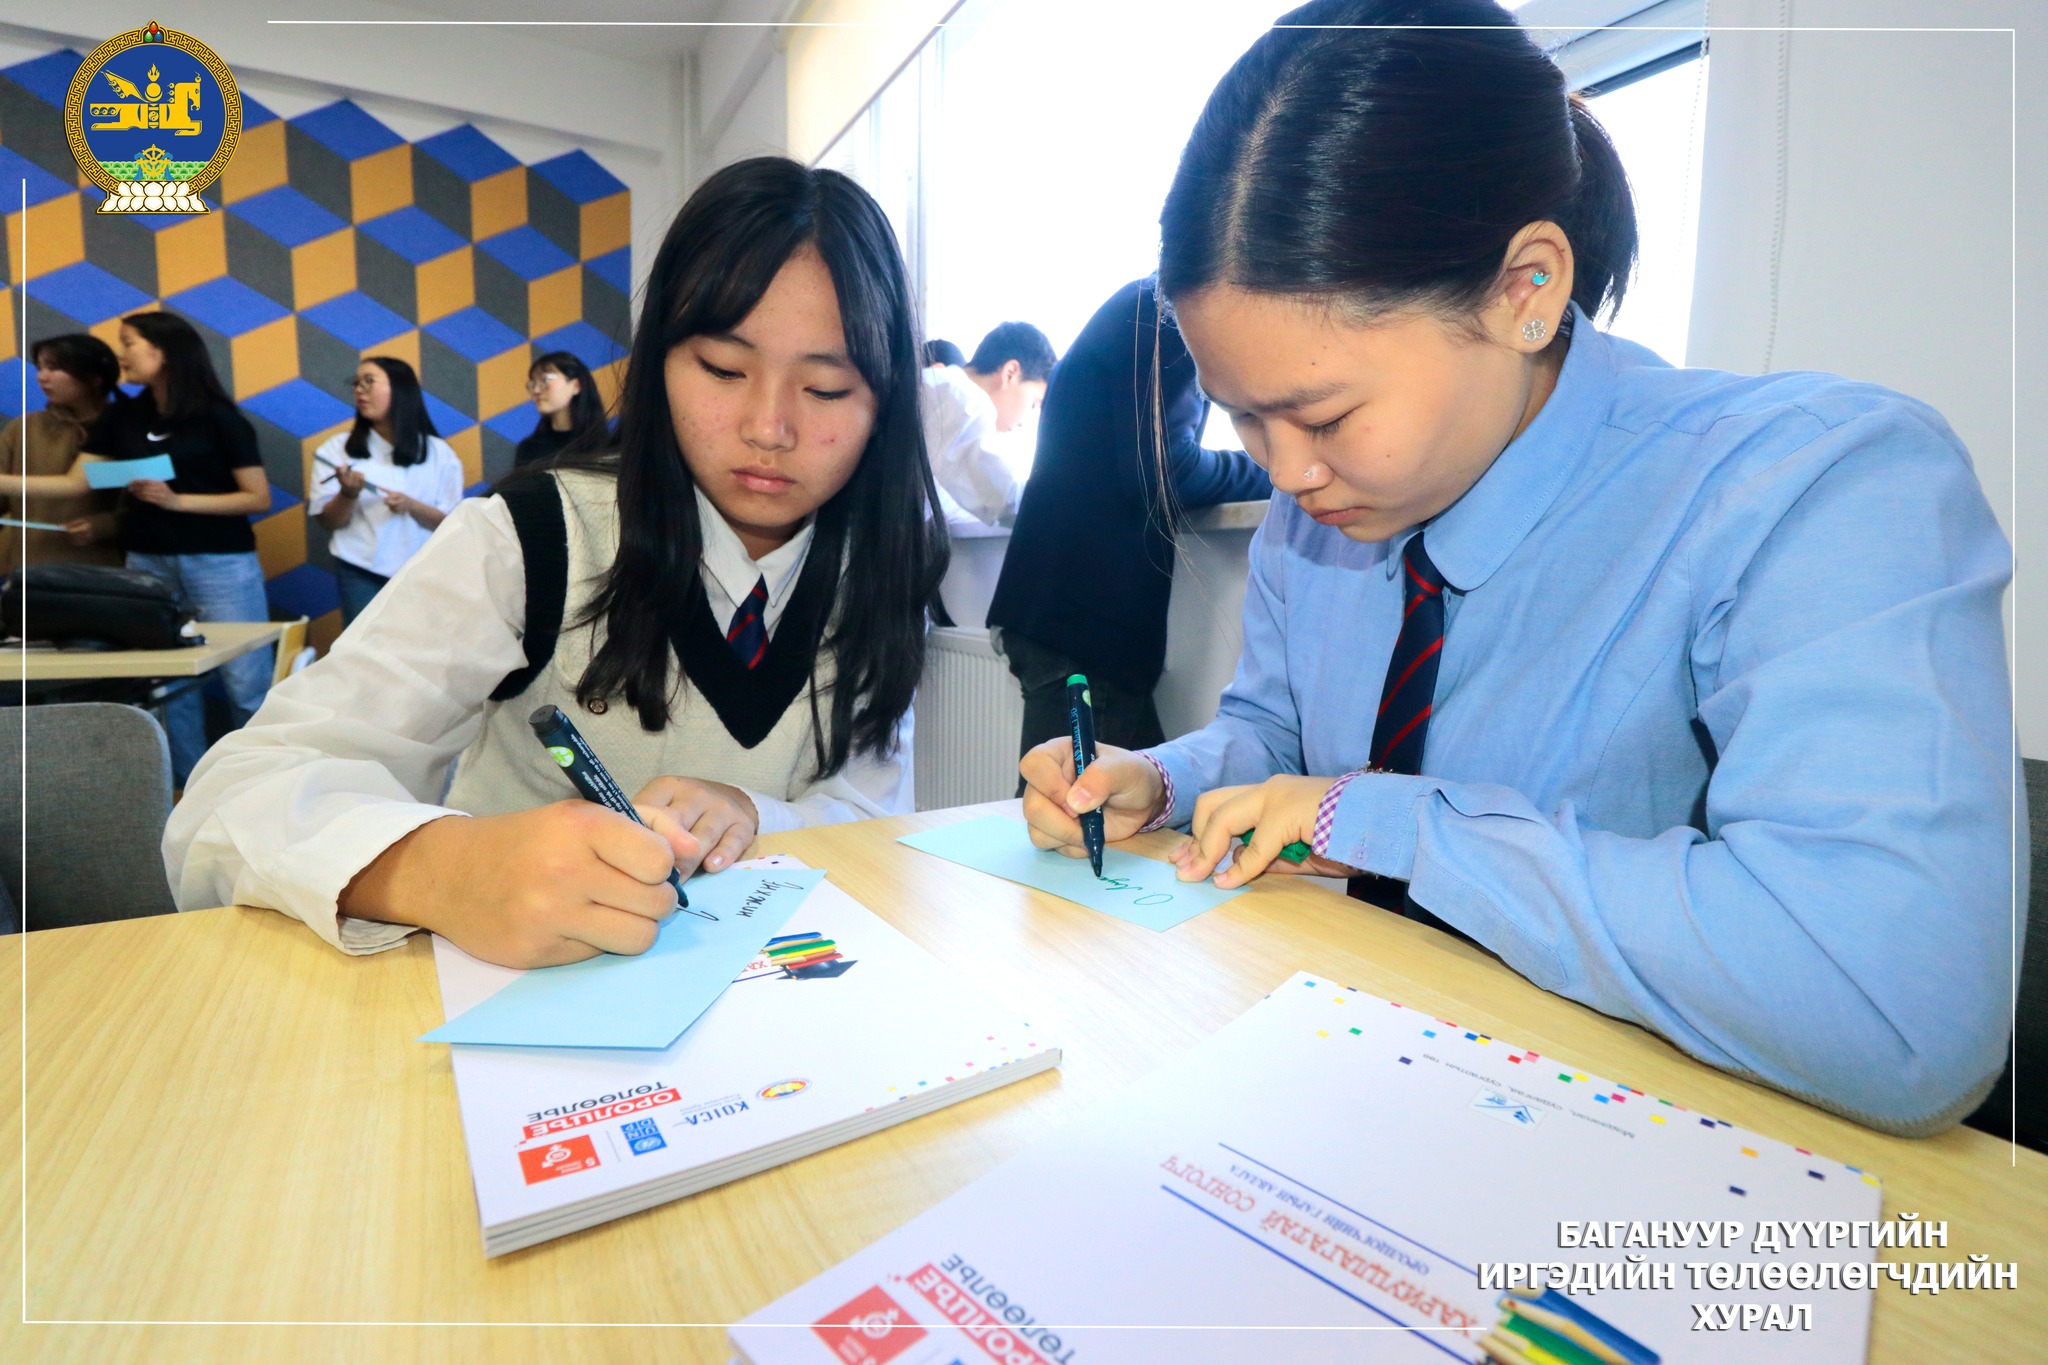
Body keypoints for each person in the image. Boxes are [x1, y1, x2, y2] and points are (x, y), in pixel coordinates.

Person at [1021, 0, 2014, 1136]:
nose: (1285, 473)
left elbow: (1898, 1014)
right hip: (1337, 1084)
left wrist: (1389, 825)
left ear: (1526, 288)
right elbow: (1279, 743)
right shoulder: (1325, 510)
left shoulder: (1812, 487)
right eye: (1244, 421)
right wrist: (1165, 778)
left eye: (1323, 413)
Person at [165, 156, 949, 970]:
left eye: (825, 389)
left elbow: (868, 809)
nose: (768, 427)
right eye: (722, 368)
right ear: (658, 366)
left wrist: (753, 813)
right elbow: (225, 805)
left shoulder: (878, 567)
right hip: (505, 1012)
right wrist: (439, 869)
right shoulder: (531, 537)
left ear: (883, 405)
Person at [989, 277, 1270, 758]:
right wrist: (1268, 467)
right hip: (1085, 623)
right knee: (1079, 819)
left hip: (1066, 613)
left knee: (1121, 808)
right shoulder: (1167, 313)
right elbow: (1165, 470)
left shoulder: (1145, 309)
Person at [5, 311, 274, 781]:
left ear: (164, 351)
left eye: (129, 343)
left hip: (220, 563)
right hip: (146, 562)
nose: (121, 354)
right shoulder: (126, 415)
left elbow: (257, 497)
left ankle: (262, 788)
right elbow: (76, 484)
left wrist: (177, 499)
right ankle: (186, 796)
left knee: (246, 681)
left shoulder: (219, 417)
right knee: (168, 687)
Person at [309, 357, 465, 627]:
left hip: (424, 571)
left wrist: (412, 506)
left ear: (401, 389)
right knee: (364, 656)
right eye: (356, 383)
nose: (359, 390)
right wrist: (348, 494)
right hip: (360, 569)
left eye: (369, 381)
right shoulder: (336, 450)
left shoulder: (440, 453)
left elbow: (453, 525)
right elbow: (327, 521)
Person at [0, 334, 123, 572]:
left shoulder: (126, 428)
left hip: (99, 573)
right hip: (23, 571)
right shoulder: (24, 427)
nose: (41, 376)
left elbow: (144, 502)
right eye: (40, 367)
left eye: (54, 368)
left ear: (93, 378)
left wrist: (103, 526)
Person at [920, 320, 1057, 527]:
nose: (1024, 422)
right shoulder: (963, 398)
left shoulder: (939, 385)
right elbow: (1004, 499)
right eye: (1033, 404)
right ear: (1010, 373)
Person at [513, 350, 610, 467]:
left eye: (545, 380)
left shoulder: (605, 446)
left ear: (576, 386)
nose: (536, 390)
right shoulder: (529, 449)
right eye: (533, 384)